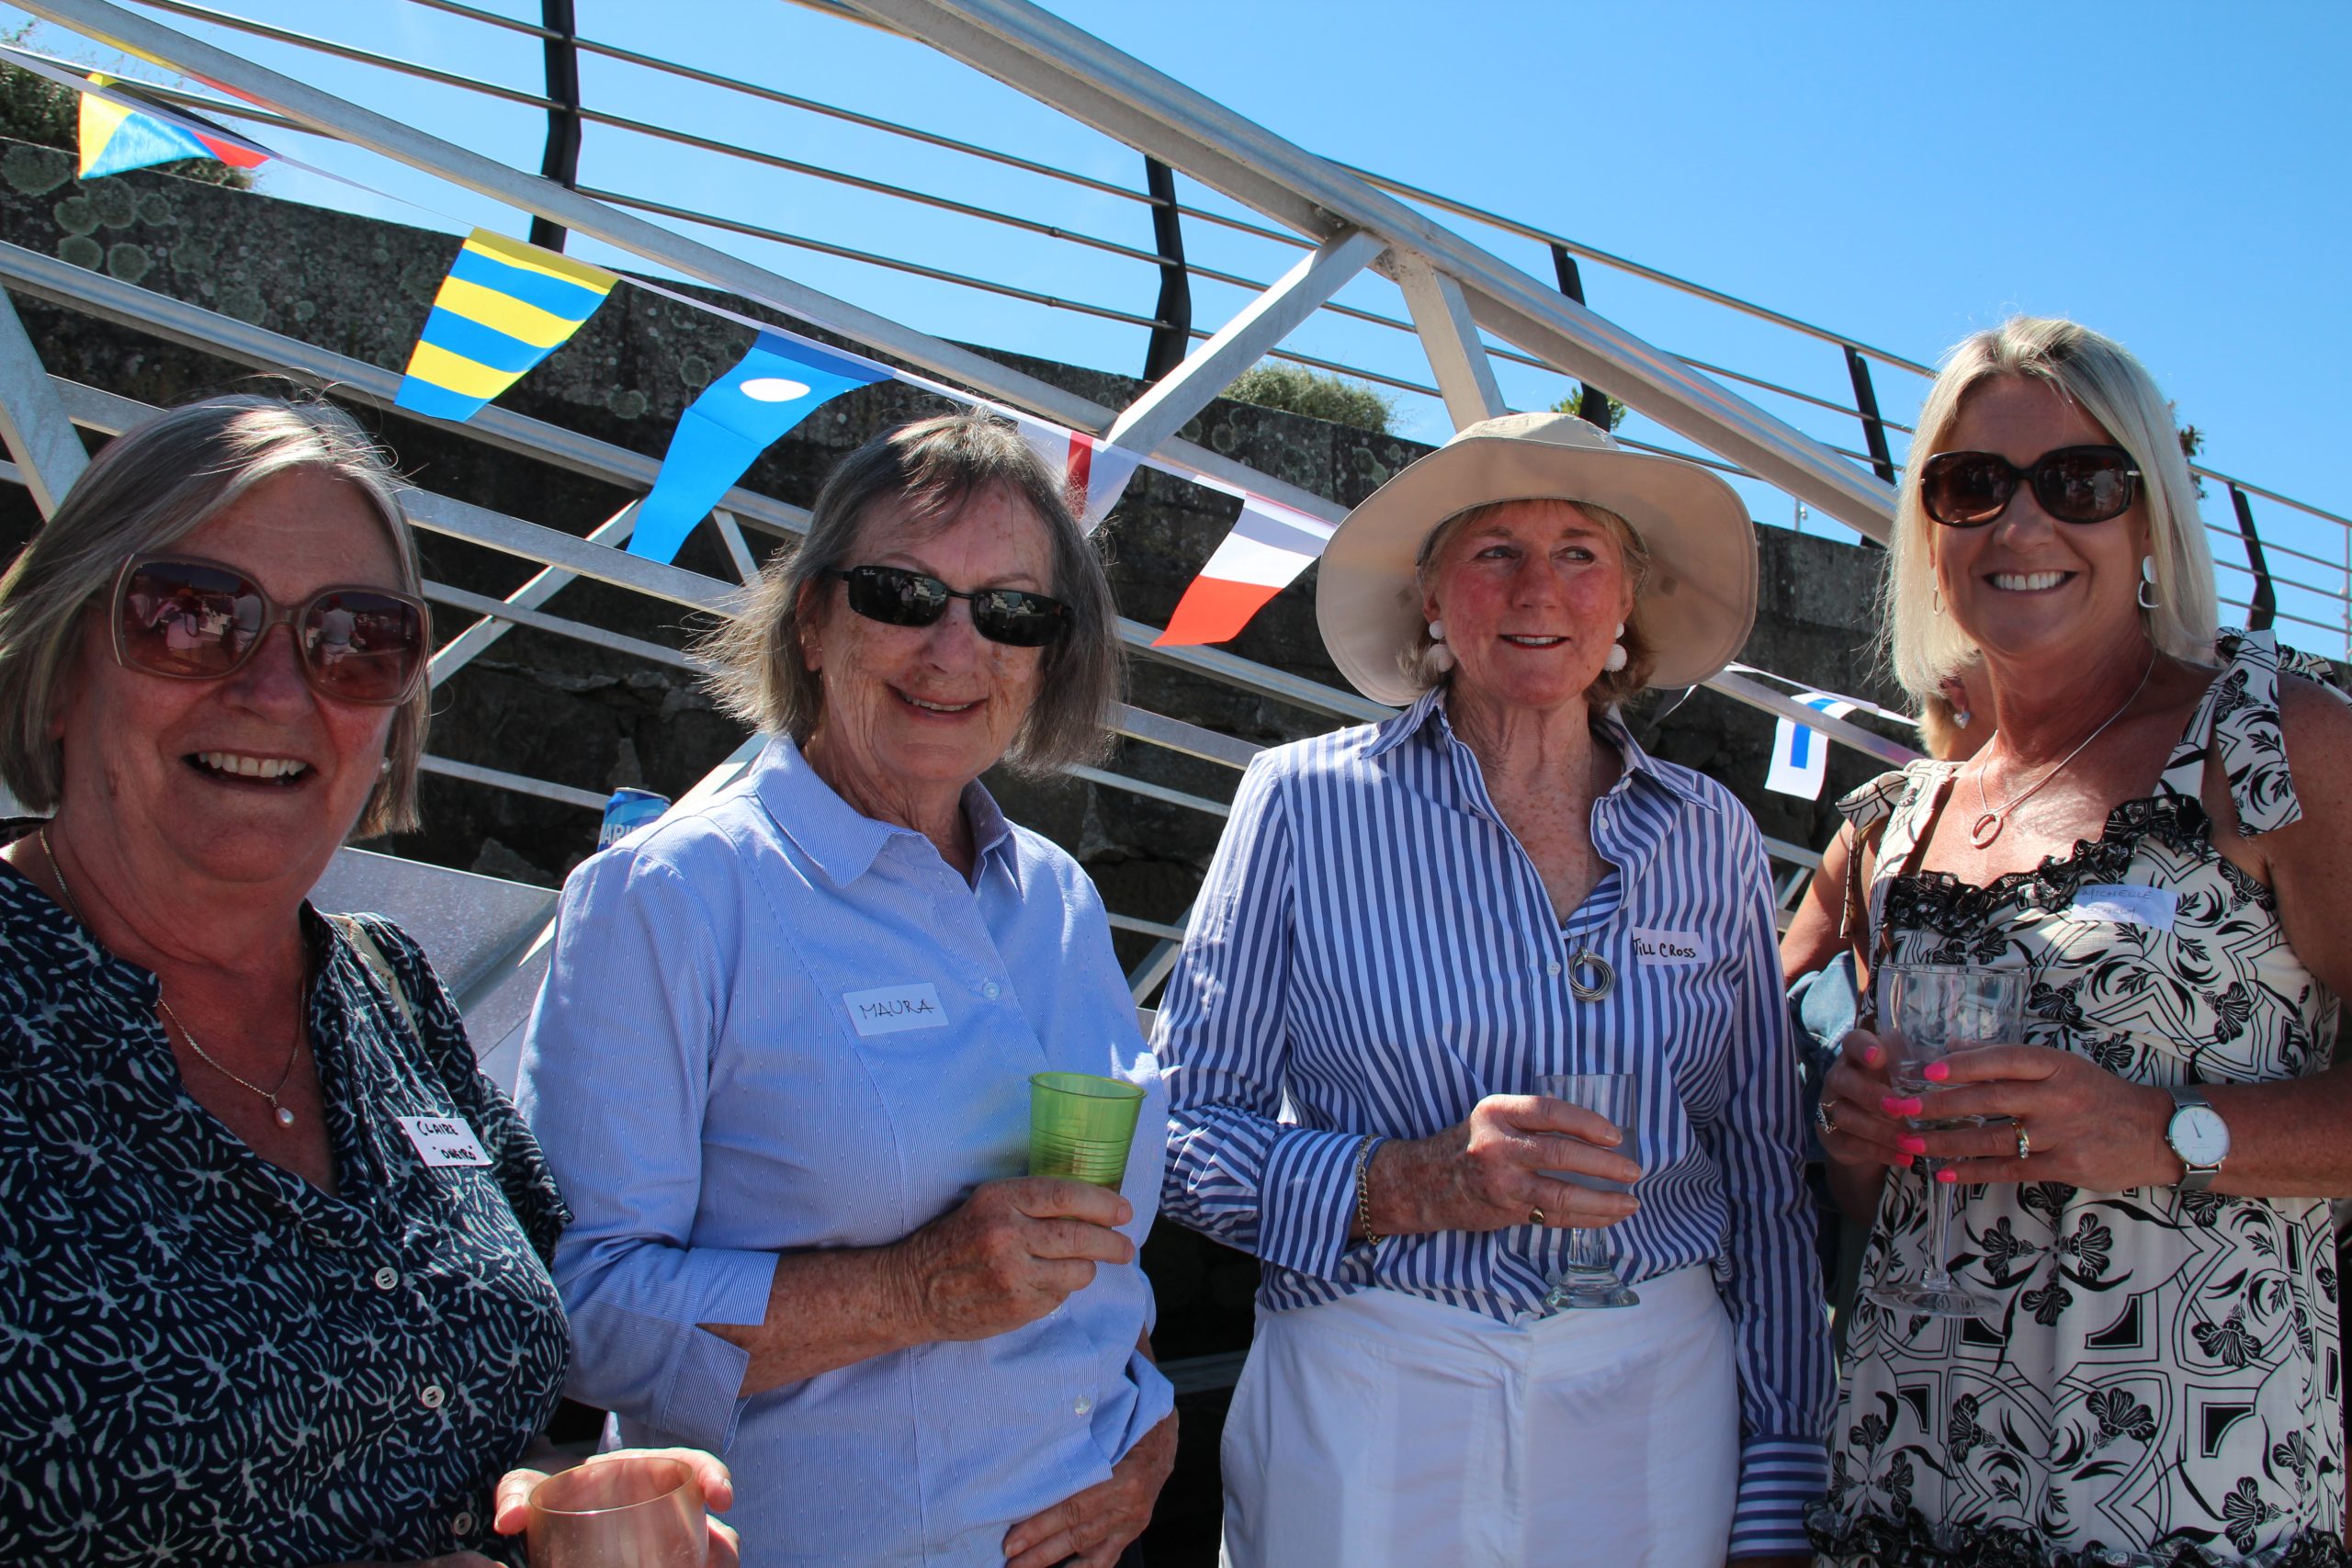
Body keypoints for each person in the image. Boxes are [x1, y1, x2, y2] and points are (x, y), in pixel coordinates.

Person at [0, 394, 734, 1567]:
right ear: (60, 663)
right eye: (192, 617)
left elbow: (498, 1362)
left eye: (354, 640)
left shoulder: (386, 987)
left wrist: (556, 1503)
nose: (280, 693)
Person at [1155, 411, 1832, 1567]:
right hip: (1375, 1378)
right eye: (1493, 551)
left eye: (1579, 551)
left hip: (1657, 1389)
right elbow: (1176, 1133)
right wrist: (1412, 1183)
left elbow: (1762, 1163)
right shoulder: (1303, 804)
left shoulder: (1709, 831)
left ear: (1627, 601)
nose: (1539, 588)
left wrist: (1782, 1463)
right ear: (1430, 594)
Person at [519, 412, 1175, 1568]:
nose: (954, 650)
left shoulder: (1059, 899)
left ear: (1046, 657)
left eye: (1011, 612)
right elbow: (581, 1312)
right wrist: (913, 1289)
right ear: (813, 618)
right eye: (901, 594)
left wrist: (1145, 1427)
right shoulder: (673, 895)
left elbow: (1096, 1253)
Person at [1809, 317, 2351, 1565]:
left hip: (2192, 1500)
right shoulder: (1901, 821)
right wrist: (1849, 1127)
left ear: (2149, 515)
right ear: (1929, 531)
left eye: (2081, 483)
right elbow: (1861, 1182)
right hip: (1905, 1490)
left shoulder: (2269, 747)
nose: (2023, 524)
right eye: (1972, 485)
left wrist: (2164, 1129)